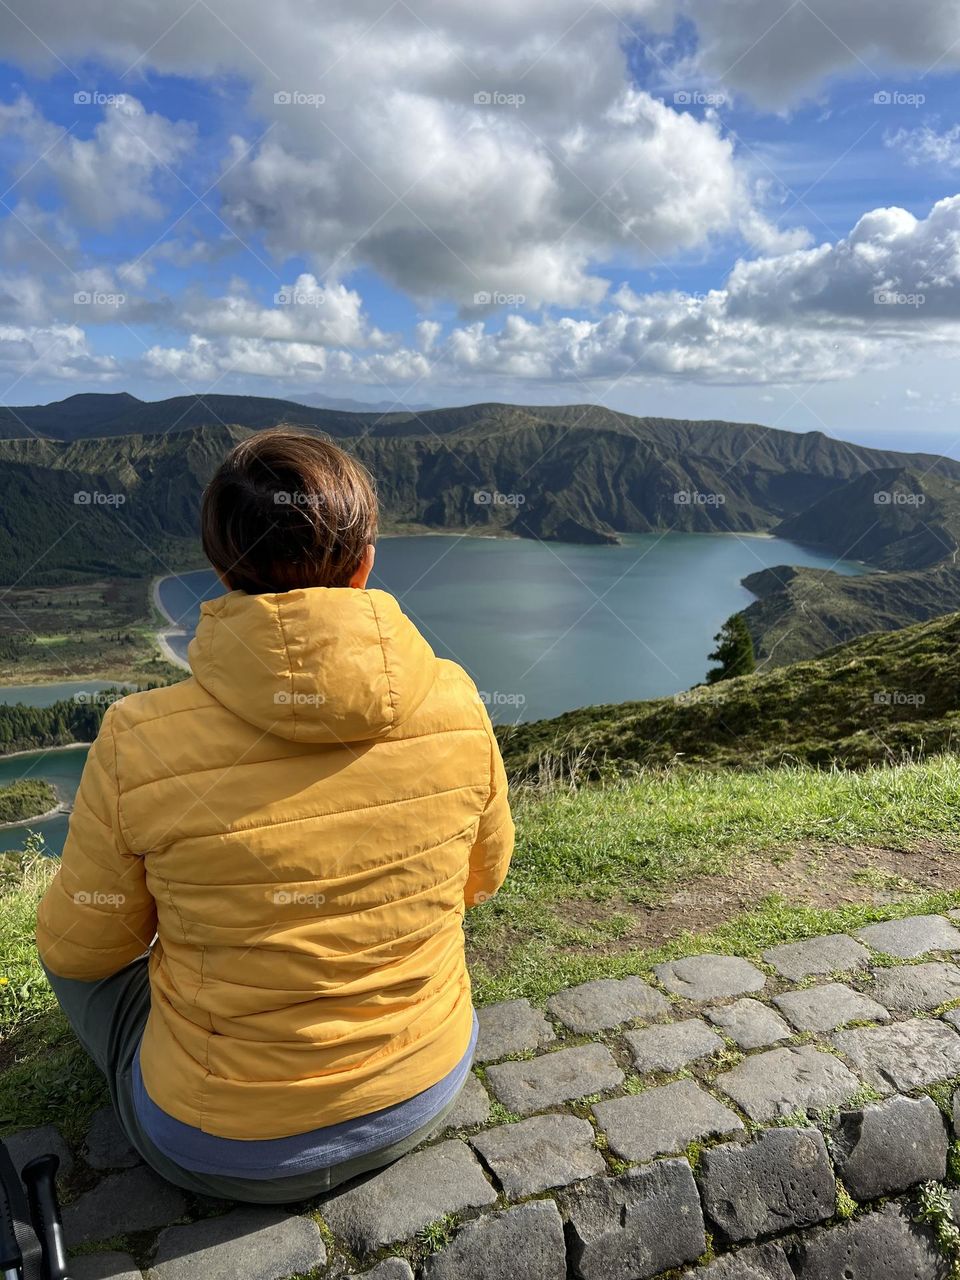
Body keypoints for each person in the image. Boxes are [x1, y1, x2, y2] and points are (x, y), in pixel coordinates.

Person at [36, 427, 514, 1203]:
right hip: (424, 1084)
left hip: (218, 1147)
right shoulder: (456, 697)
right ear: (364, 562)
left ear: (220, 570)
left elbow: (84, 947)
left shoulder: (136, 736)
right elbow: (481, 878)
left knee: (72, 957)